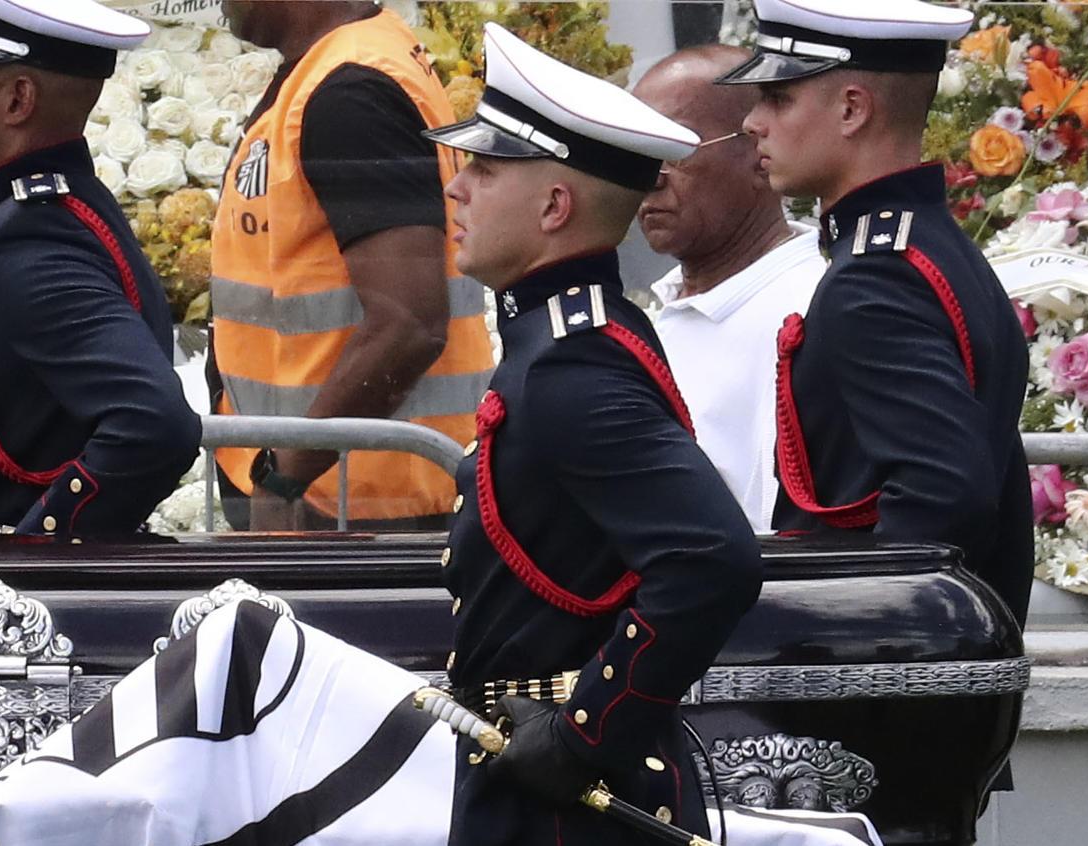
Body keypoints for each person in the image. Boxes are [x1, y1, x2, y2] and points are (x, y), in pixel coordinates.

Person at [428, 24, 762, 846]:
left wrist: (583, 735)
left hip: (565, 809)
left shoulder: (570, 370)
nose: (457, 188)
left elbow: (708, 559)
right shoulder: (566, 342)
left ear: (553, 206)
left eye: (486, 168)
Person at [717, 0, 1033, 621]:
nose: (753, 122)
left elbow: (942, 498)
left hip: (882, 695)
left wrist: (871, 653)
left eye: (777, 98)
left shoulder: (877, 279)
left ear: (853, 109)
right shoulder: (927, 247)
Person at [0, 0, 201, 538]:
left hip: (18, 608)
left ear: (17, 100)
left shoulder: (30, 238)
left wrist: (39, 551)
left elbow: (155, 424)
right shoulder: (55, 209)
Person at [208, 0, 495, 531]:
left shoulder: (350, 92)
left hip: (356, 501)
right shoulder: (334, 68)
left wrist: (284, 475)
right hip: (341, 487)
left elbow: (408, 323)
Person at [633, 45, 826, 532]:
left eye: (673, 150)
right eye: (634, 153)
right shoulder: (671, 301)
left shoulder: (803, 311)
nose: (647, 179)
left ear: (759, 153)